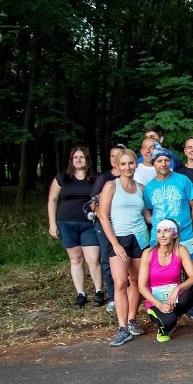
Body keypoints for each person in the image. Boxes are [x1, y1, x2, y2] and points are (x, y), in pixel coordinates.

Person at [139, 220, 193, 348]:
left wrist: (178, 288)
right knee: (170, 321)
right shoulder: (148, 254)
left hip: (176, 300)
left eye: (166, 231)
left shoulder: (181, 250)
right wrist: (159, 304)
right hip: (156, 304)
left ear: (174, 234)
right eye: (159, 231)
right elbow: (141, 287)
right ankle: (163, 328)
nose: (162, 235)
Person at [98, 148, 151, 346]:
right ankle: (122, 328)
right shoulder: (111, 186)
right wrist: (115, 244)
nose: (127, 167)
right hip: (119, 238)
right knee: (120, 283)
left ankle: (131, 321)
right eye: (123, 164)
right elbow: (103, 216)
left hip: (139, 238)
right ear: (118, 166)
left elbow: (146, 216)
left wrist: (166, 221)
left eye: (130, 163)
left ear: (135, 165)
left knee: (136, 281)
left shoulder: (141, 188)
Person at [48, 146, 105, 307]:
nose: (78, 159)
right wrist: (52, 224)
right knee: (76, 258)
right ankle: (81, 294)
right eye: (75, 157)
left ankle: (99, 291)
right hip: (66, 222)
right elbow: (52, 199)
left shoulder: (97, 178)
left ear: (87, 159)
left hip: (90, 223)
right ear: (71, 160)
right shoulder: (62, 178)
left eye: (82, 157)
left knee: (93, 259)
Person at [143, 144, 193, 257]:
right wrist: (155, 222)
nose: (163, 164)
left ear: (170, 162)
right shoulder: (149, 187)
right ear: (153, 163)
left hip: (185, 235)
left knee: (192, 270)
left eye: (166, 160)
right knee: (162, 272)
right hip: (159, 237)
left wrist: (189, 226)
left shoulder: (183, 180)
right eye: (159, 161)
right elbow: (148, 211)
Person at [89, 144, 124, 310]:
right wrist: (104, 210)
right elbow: (92, 205)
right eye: (112, 156)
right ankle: (112, 296)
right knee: (107, 259)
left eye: (119, 155)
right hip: (105, 224)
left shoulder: (133, 177)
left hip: (125, 224)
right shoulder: (104, 179)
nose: (116, 159)